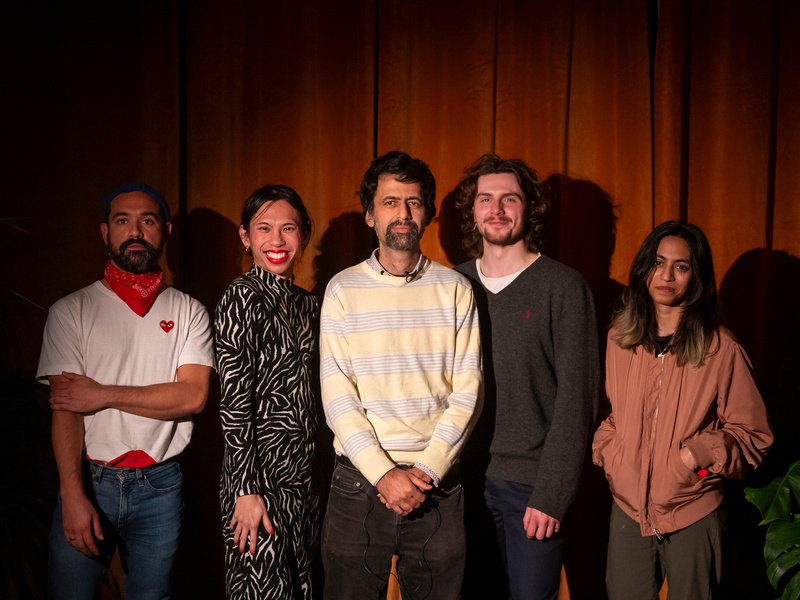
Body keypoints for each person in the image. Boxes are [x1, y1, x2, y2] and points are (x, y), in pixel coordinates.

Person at [38, 182, 215, 599]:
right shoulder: (70, 311)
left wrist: (101, 394)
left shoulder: (188, 311)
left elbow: (192, 397)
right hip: (88, 481)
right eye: (123, 220)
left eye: (147, 220)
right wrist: (73, 495)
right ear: (105, 232)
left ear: (165, 231)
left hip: (161, 486)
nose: (135, 231)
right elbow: (65, 409)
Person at [319, 150, 483, 600]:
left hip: (438, 483)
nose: (403, 213)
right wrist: (383, 473)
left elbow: (468, 394)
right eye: (390, 202)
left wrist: (426, 470)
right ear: (370, 214)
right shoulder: (342, 290)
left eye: (413, 202)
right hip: (358, 482)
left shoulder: (455, 289)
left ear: (427, 213)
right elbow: (337, 396)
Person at [592, 221, 774, 600]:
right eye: (659, 263)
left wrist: (695, 456)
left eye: (681, 266)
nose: (667, 275)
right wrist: (610, 452)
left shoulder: (720, 348)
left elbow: (754, 434)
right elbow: (611, 412)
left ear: (697, 276)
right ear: (645, 268)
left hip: (694, 510)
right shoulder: (618, 339)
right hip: (627, 511)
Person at [453, 154, 600, 600]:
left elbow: (578, 399)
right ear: (473, 210)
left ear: (528, 207)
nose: (496, 209)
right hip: (463, 483)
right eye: (486, 199)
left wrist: (552, 494)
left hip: (531, 489)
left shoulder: (563, 287)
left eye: (509, 198)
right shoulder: (452, 285)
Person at [215, 185, 320, 599]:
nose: (277, 241)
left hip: (302, 484)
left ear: (303, 234)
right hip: (257, 484)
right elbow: (234, 404)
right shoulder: (242, 298)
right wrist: (245, 489)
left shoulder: (308, 304)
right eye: (264, 229)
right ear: (246, 237)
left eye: (288, 228)